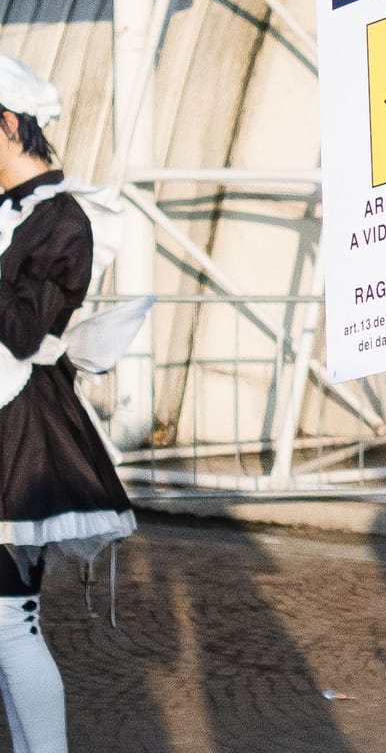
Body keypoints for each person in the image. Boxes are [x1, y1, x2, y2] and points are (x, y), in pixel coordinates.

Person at [0, 56, 135, 753]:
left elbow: (24, 331)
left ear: (6, 125)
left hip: (22, 435)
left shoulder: (65, 220)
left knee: (9, 621)